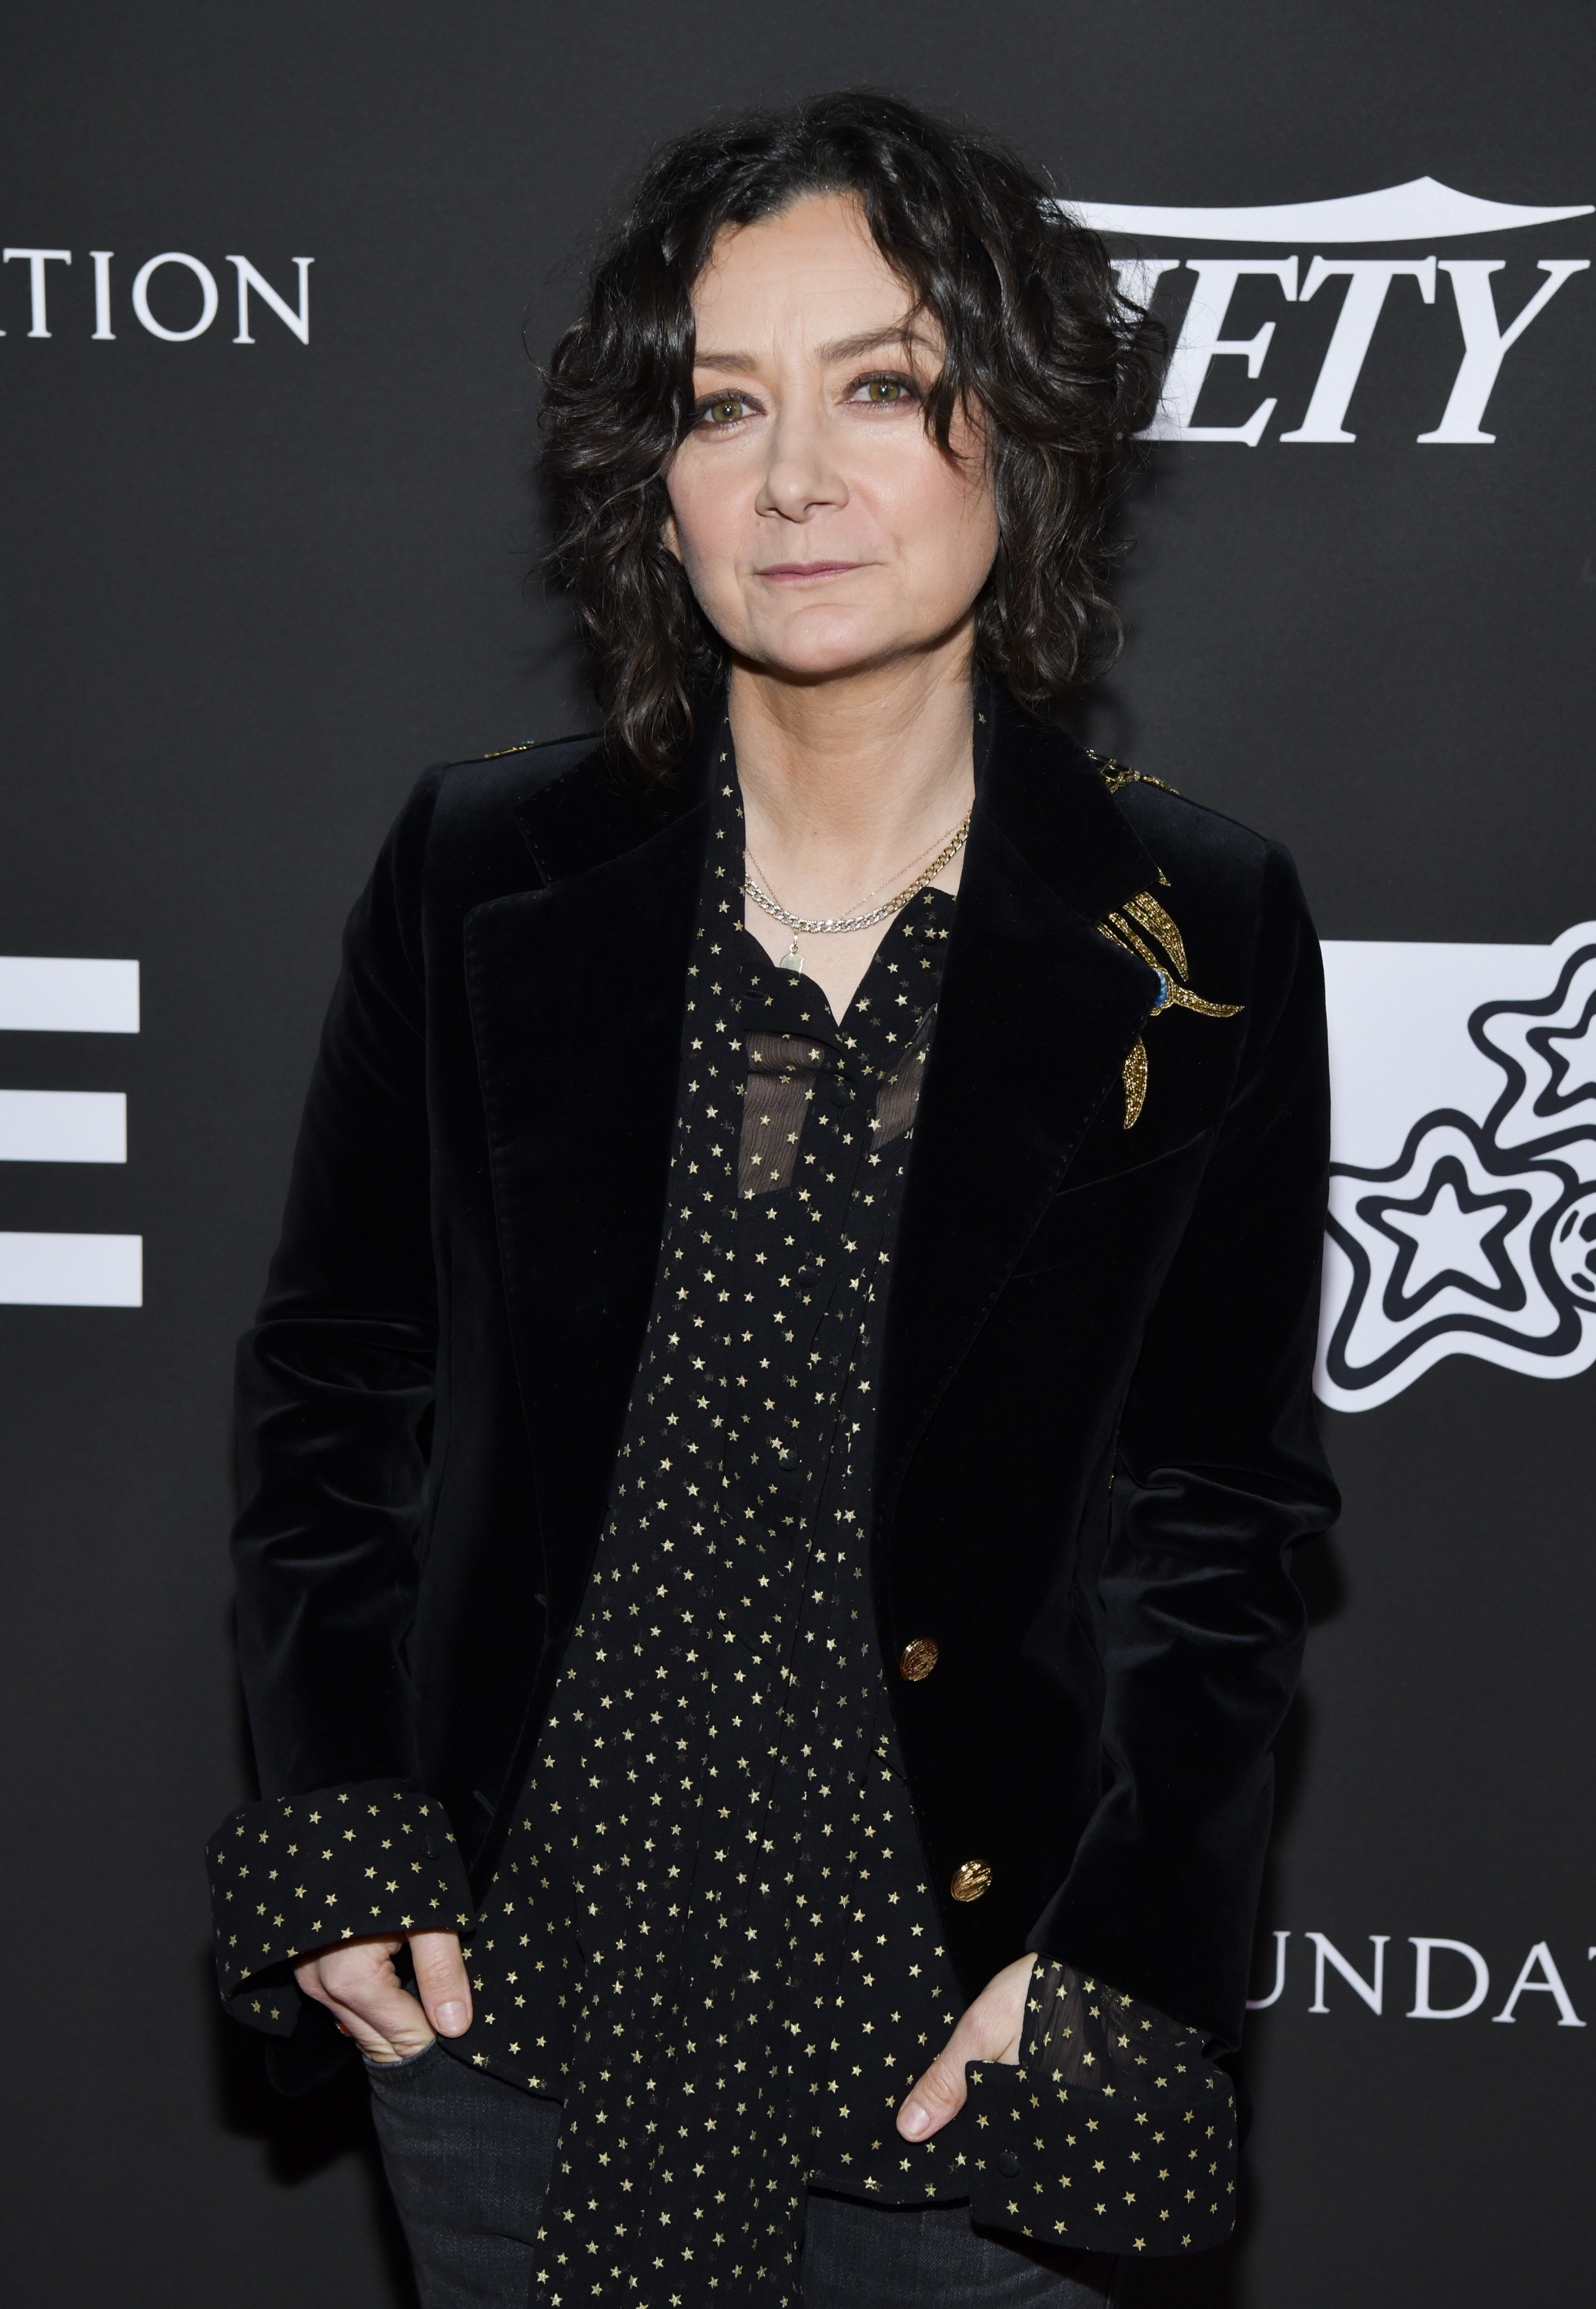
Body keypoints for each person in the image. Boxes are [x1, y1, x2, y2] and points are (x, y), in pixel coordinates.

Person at [206, 89, 1337, 2309]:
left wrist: (1110, 1963)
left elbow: (1218, 1523)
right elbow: (336, 1394)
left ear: (1017, 435)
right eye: (724, 407)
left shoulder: (1190, 924)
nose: (795, 477)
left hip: (958, 2053)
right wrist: (339, 1830)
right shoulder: (478, 874)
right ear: (654, 477)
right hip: (515, 2039)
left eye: (882, 389)